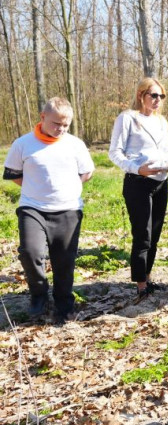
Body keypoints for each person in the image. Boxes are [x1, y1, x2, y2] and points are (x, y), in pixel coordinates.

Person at [3, 98, 94, 324]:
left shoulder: (75, 144)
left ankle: (64, 304)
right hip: (32, 208)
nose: (61, 129)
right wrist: (36, 188)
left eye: (66, 125)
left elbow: (87, 172)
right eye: (56, 124)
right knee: (31, 253)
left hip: (68, 210)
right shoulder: (23, 144)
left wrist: (68, 188)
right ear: (43, 117)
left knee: (64, 260)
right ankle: (39, 295)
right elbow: (14, 174)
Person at [109, 78, 168, 298]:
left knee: (155, 233)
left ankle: (148, 277)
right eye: (154, 95)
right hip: (138, 183)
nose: (158, 100)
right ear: (141, 95)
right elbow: (115, 152)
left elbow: (164, 150)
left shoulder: (162, 122)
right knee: (143, 234)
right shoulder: (128, 118)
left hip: (161, 181)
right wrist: (136, 169)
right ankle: (140, 284)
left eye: (162, 96)